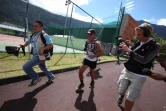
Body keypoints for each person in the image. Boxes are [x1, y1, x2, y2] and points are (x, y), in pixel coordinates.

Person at [117, 23, 160, 111]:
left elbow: (144, 60)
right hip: (127, 70)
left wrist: (129, 50)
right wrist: (130, 46)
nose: (136, 36)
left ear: (147, 34)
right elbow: (135, 52)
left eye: (139, 34)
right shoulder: (137, 41)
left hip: (139, 75)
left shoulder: (155, 45)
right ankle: (121, 95)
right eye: (136, 34)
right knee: (121, 90)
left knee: (130, 98)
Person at [21, 20, 55, 86]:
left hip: (40, 56)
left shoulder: (45, 35)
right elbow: (27, 42)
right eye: (34, 26)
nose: (34, 27)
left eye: (36, 26)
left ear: (41, 27)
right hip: (36, 55)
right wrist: (20, 46)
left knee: (26, 67)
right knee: (43, 67)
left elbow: (50, 45)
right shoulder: (33, 35)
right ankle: (51, 76)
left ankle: (36, 78)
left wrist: (43, 49)